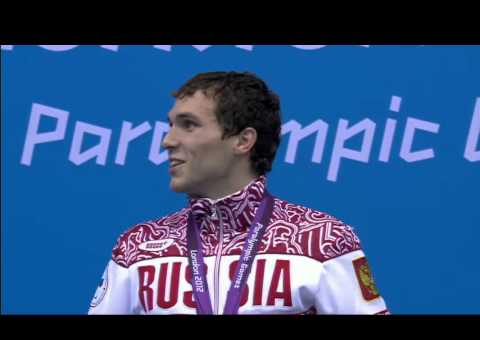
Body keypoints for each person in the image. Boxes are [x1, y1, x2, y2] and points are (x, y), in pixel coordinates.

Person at [88, 71, 389, 315]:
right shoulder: (138, 247)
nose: (168, 140)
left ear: (243, 141)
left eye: (188, 125)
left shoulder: (324, 240)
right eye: (170, 126)